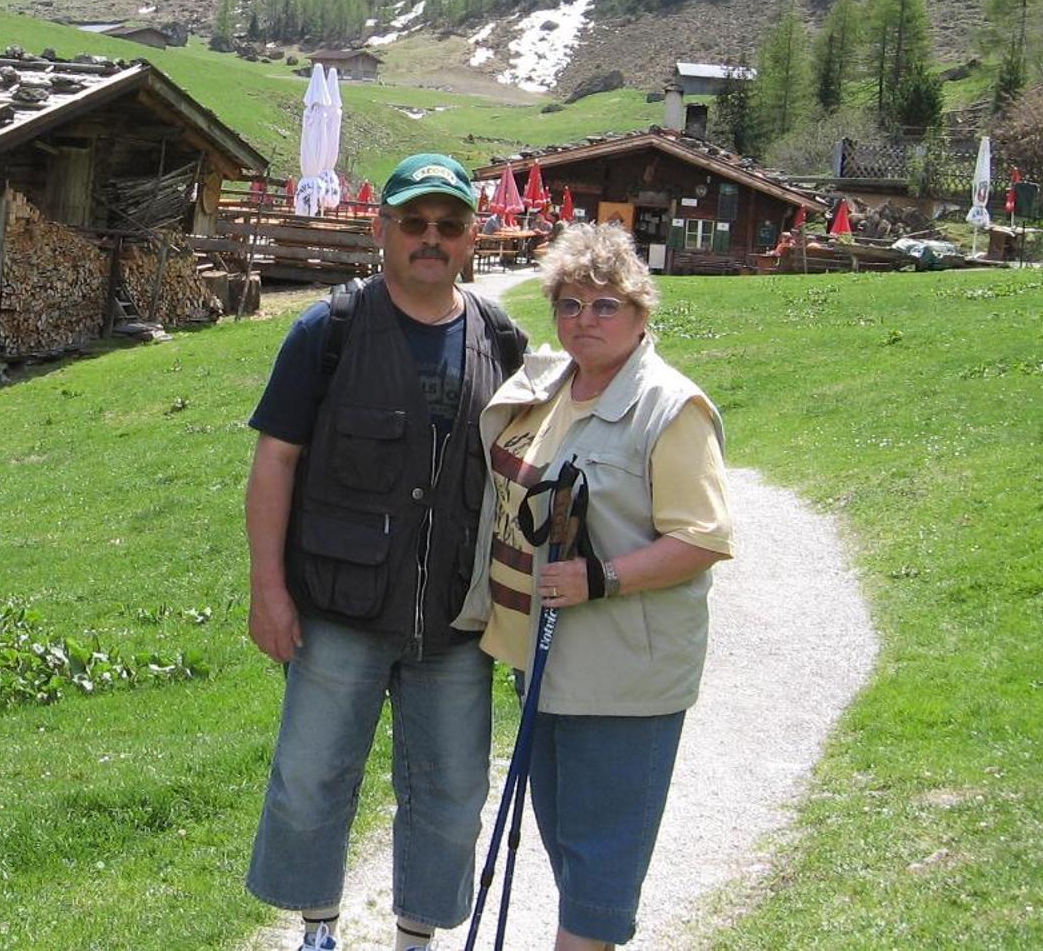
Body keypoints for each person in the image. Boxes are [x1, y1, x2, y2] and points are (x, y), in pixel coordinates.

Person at [246, 153, 529, 951]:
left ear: (473, 238)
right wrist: (267, 588)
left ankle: (415, 938)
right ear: (383, 230)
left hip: (456, 622)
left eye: (448, 224)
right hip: (338, 608)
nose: (430, 238)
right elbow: (275, 460)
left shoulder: (503, 341)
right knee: (310, 781)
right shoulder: (327, 331)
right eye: (414, 222)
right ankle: (317, 930)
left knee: (451, 794)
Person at [479, 224, 734, 950]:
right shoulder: (552, 387)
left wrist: (603, 578)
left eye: (604, 306)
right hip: (548, 666)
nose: (583, 320)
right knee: (568, 852)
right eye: (568, 304)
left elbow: (703, 538)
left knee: (597, 879)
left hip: (626, 677)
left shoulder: (671, 408)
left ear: (641, 312)